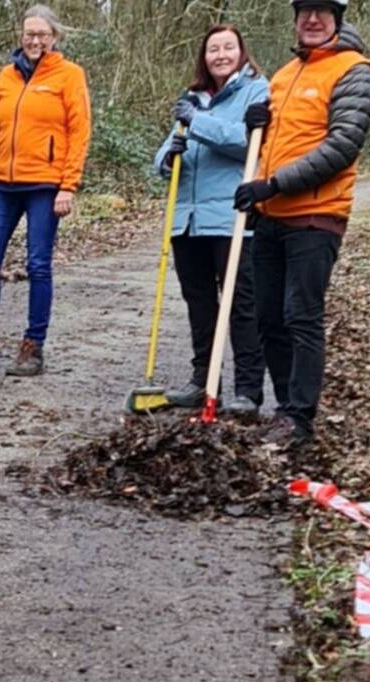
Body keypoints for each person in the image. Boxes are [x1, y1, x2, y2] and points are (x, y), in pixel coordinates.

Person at [233, 0, 370, 446]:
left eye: (322, 12)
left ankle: (299, 418)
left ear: (337, 19)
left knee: (301, 316)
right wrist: (252, 129)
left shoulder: (355, 70)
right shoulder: (282, 75)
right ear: (296, 20)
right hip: (271, 216)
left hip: (316, 217)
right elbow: (270, 146)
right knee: (269, 318)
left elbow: (342, 146)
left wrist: (273, 184)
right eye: (305, 12)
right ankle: (283, 410)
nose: (312, 20)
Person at [0, 5, 90, 379]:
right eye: (29, 34)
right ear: (21, 36)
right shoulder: (7, 75)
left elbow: (79, 132)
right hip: (4, 183)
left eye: (42, 35)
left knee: (38, 265)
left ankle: (33, 347)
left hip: (45, 185)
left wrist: (69, 185)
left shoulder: (69, 76)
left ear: (54, 38)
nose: (35, 40)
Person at [151, 25, 269, 416]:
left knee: (241, 305)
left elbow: (250, 142)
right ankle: (203, 381)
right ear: (204, 56)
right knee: (199, 304)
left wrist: (197, 124)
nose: (220, 55)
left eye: (228, 48)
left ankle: (248, 391)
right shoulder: (193, 97)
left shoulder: (257, 90)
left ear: (241, 51)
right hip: (187, 218)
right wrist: (169, 156)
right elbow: (165, 152)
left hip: (230, 218)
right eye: (213, 49)